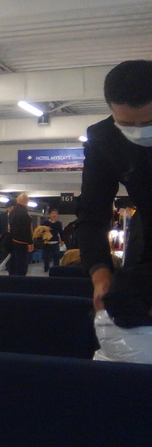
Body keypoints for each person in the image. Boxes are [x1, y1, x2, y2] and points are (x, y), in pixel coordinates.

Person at [77, 59, 152, 321]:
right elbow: (91, 214)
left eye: (149, 121)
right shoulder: (104, 139)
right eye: (127, 125)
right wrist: (100, 275)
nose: (139, 131)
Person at [7, 193, 34, 276]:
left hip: (13, 241)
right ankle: (21, 279)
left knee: (14, 263)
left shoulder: (12, 212)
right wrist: (30, 243)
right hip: (22, 243)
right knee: (22, 265)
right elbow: (27, 230)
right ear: (26, 201)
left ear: (17, 200)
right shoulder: (25, 213)